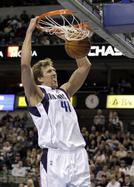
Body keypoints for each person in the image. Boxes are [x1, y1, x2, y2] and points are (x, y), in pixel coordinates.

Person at [21, 16, 92, 187]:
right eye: (49, 71)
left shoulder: (64, 91)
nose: (54, 73)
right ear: (39, 77)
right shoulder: (36, 95)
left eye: (54, 70)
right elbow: (24, 65)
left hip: (78, 155)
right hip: (55, 157)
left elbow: (84, 66)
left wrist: (69, 38)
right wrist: (29, 31)